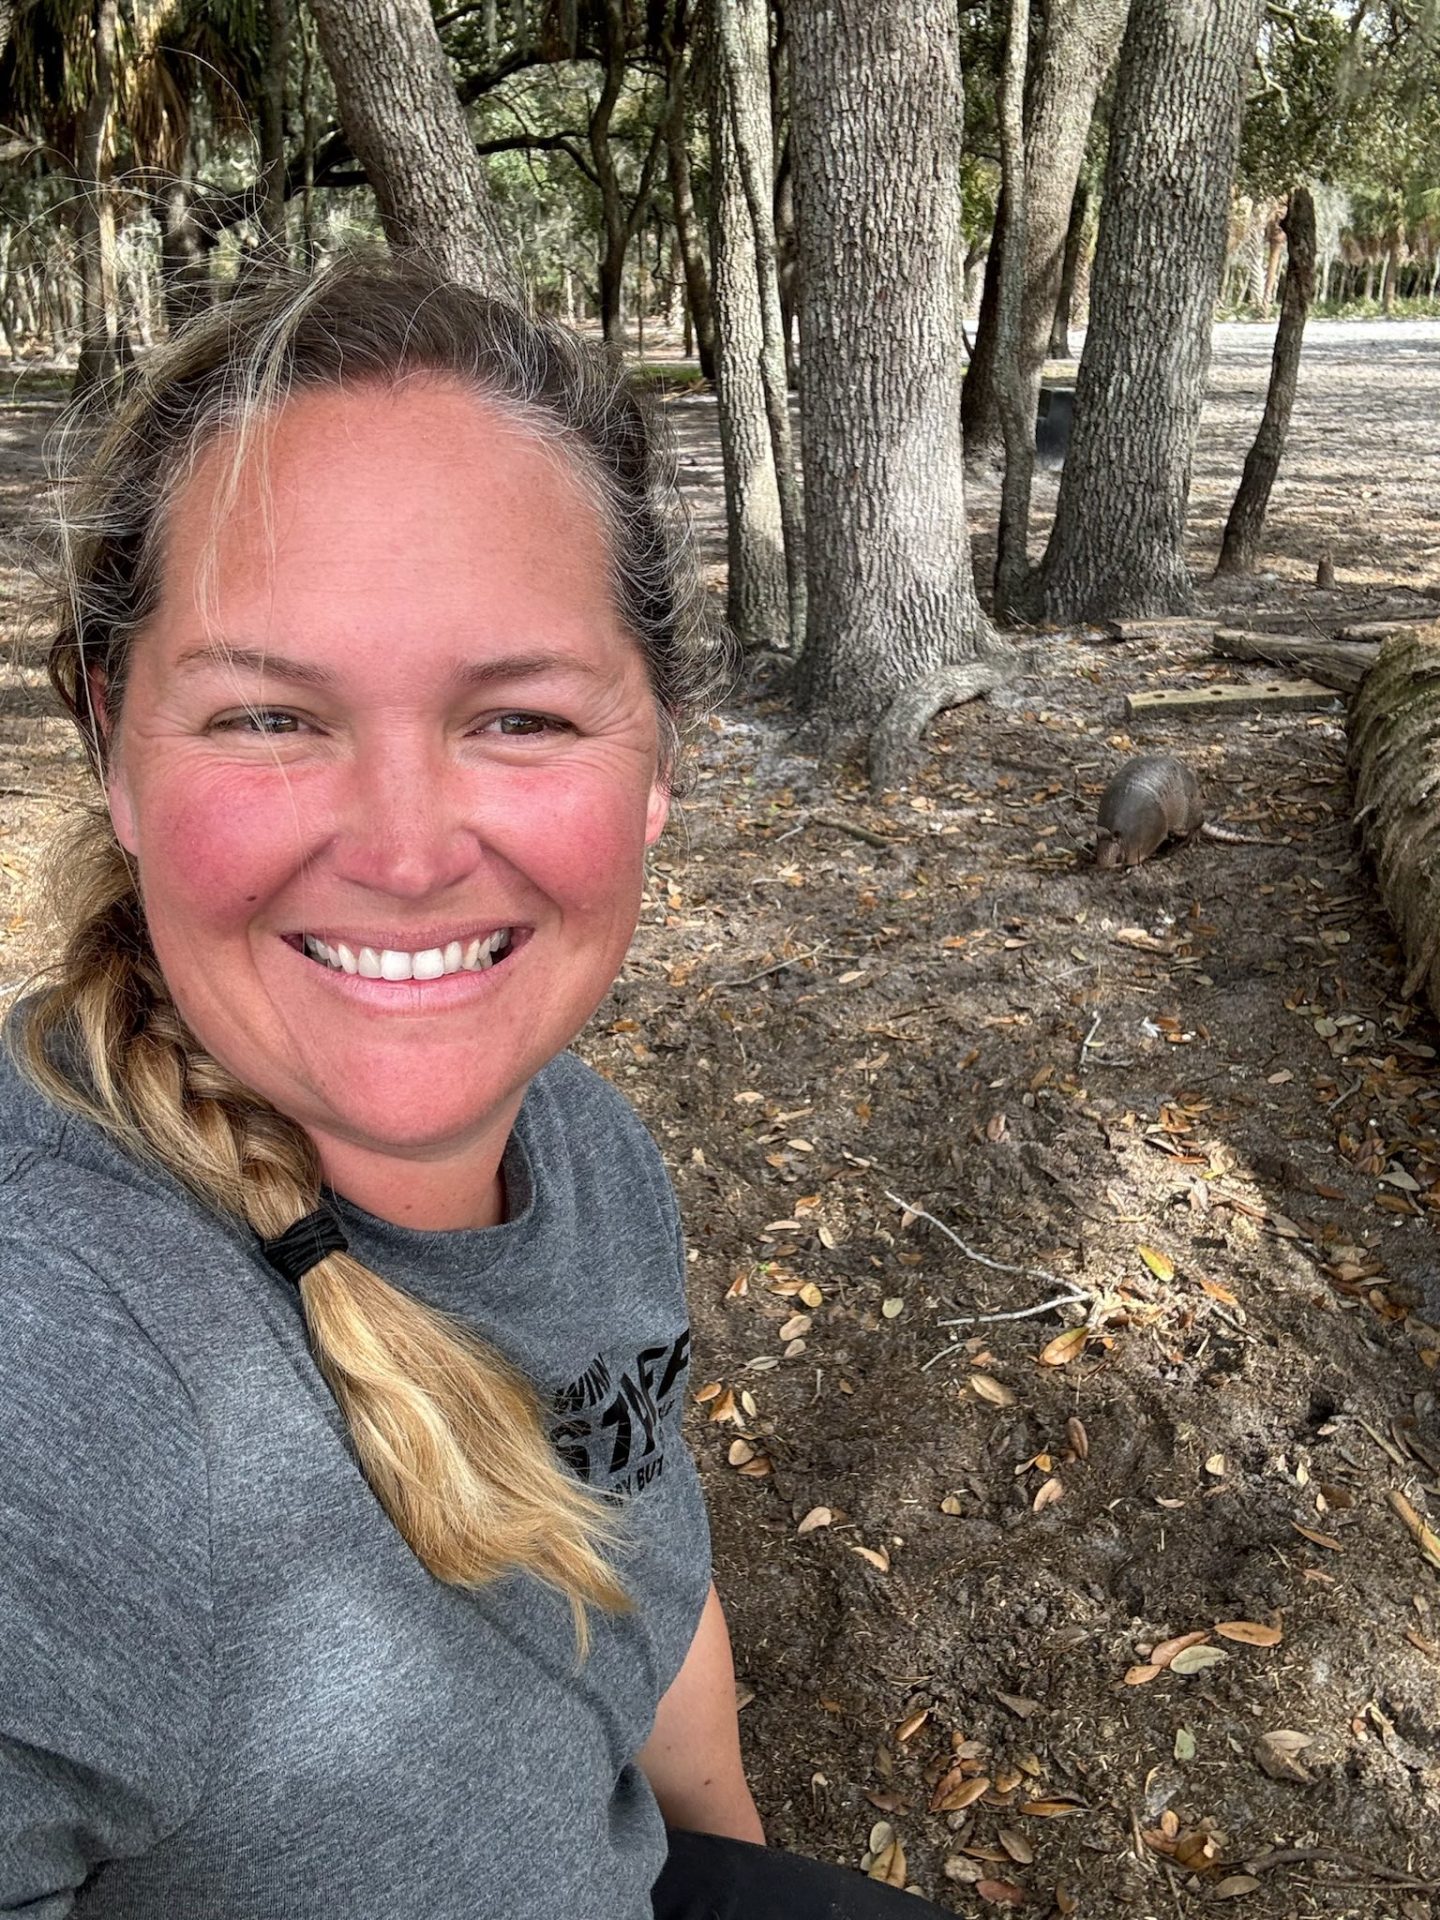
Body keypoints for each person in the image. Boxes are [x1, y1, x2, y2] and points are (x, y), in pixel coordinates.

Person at [0, 258, 956, 1919]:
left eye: (516, 717)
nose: (404, 849)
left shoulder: (587, 1150)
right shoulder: (58, 1377)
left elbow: (641, 1575)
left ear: (658, 758)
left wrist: (737, 1875)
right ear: (113, 745)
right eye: (268, 715)